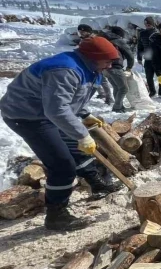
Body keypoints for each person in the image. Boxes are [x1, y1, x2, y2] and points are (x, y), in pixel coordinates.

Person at [0, 37, 123, 231]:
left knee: (77, 148)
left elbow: (72, 98)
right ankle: (56, 215)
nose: (110, 65)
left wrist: (85, 114)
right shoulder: (64, 71)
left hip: (47, 112)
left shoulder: (90, 68)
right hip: (27, 116)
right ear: (94, 57)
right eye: (107, 61)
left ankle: (97, 184)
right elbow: (56, 110)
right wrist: (83, 134)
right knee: (62, 165)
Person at [98, 26, 135, 113]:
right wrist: (129, 67)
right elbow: (130, 55)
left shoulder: (104, 39)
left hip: (104, 68)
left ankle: (120, 106)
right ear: (120, 34)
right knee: (124, 88)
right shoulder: (118, 40)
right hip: (115, 66)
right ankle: (117, 107)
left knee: (117, 87)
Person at [78, 24, 113, 106]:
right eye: (80, 32)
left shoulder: (95, 40)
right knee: (93, 79)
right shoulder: (83, 40)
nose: (81, 33)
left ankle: (109, 97)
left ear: (88, 32)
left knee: (102, 80)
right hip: (88, 62)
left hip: (98, 62)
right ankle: (101, 93)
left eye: (83, 31)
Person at [136, 16, 161, 98]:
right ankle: (152, 91)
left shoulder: (158, 33)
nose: (147, 25)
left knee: (160, 75)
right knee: (149, 76)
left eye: (149, 24)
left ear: (153, 24)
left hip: (158, 58)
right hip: (148, 57)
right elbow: (140, 46)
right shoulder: (142, 33)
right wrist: (139, 57)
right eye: (146, 24)